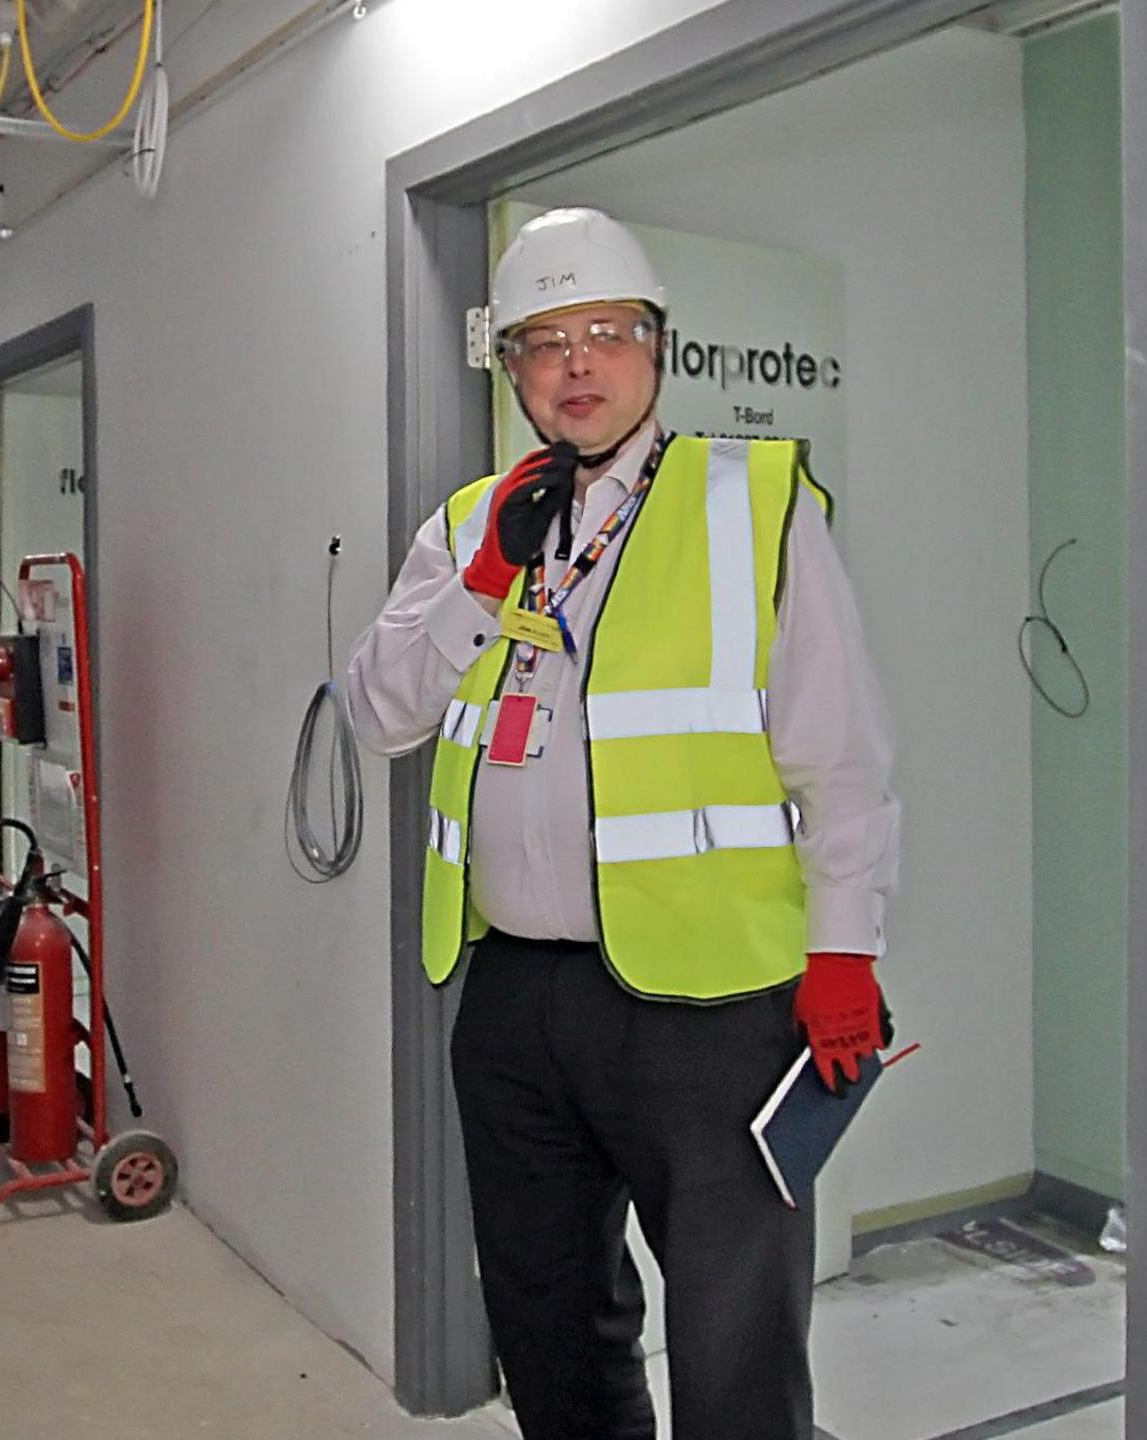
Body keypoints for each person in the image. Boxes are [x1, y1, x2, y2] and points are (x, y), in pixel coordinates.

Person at [346, 207, 900, 1440]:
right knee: (547, 1321)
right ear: (511, 367)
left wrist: (845, 946)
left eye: (607, 333)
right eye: (546, 341)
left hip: (708, 1007)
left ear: (657, 348)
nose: (578, 365)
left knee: (733, 1336)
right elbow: (377, 711)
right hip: (511, 1002)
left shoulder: (752, 503)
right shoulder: (465, 525)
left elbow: (843, 756)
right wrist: (483, 582)